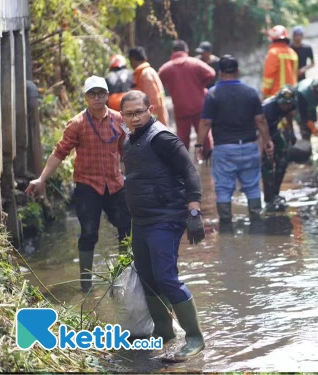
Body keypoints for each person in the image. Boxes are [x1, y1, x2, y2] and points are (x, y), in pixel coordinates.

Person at [119, 90, 206, 362]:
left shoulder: (162, 138)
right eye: (129, 114)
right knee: (147, 276)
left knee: (166, 276)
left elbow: (189, 170)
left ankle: (194, 337)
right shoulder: (130, 141)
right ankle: (164, 331)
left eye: (139, 112)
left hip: (166, 216)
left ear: (150, 109)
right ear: (123, 116)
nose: (134, 118)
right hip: (142, 220)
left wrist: (194, 211)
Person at [25, 76, 131, 293]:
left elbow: (127, 151)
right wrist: (42, 178)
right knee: (89, 233)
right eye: (92, 94)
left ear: (107, 95)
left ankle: (124, 276)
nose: (97, 98)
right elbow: (60, 152)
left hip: (115, 184)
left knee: (126, 228)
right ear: (85, 97)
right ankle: (86, 285)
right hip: (87, 186)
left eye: (101, 93)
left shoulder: (119, 120)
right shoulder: (77, 124)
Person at [196, 55, 274, 226]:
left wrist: (199, 144)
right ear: (238, 71)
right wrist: (268, 140)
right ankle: (256, 225)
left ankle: (226, 229)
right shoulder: (251, 92)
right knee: (252, 187)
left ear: (220, 72)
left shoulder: (213, 94)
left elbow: (206, 122)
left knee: (223, 189)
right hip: (249, 147)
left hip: (224, 149)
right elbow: (260, 120)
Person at [159, 40, 216, 156]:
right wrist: (201, 85)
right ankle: (209, 162)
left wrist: (171, 88)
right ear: (186, 51)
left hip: (181, 108)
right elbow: (211, 73)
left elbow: (158, 83)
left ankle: (184, 166)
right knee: (204, 135)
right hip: (199, 105)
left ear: (172, 52)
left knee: (183, 138)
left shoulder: (166, 68)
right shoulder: (195, 63)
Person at [261, 86, 296, 212]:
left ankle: (276, 192)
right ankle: (268, 198)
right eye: (283, 104)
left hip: (274, 132)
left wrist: (291, 132)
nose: (285, 106)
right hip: (261, 134)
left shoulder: (290, 105)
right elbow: (259, 126)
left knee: (283, 159)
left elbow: (289, 115)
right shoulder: (268, 108)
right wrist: (264, 144)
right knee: (267, 165)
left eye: (288, 104)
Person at [128, 47, 169, 126]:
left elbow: (152, 100)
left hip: (154, 122)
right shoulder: (148, 71)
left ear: (132, 60)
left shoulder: (145, 74)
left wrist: (150, 120)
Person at [262, 25, 299, 100]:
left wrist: (264, 93)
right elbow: (295, 75)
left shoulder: (273, 53)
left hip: (276, 97)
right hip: (292, 95)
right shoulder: (293, 53)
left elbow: (269, 78)